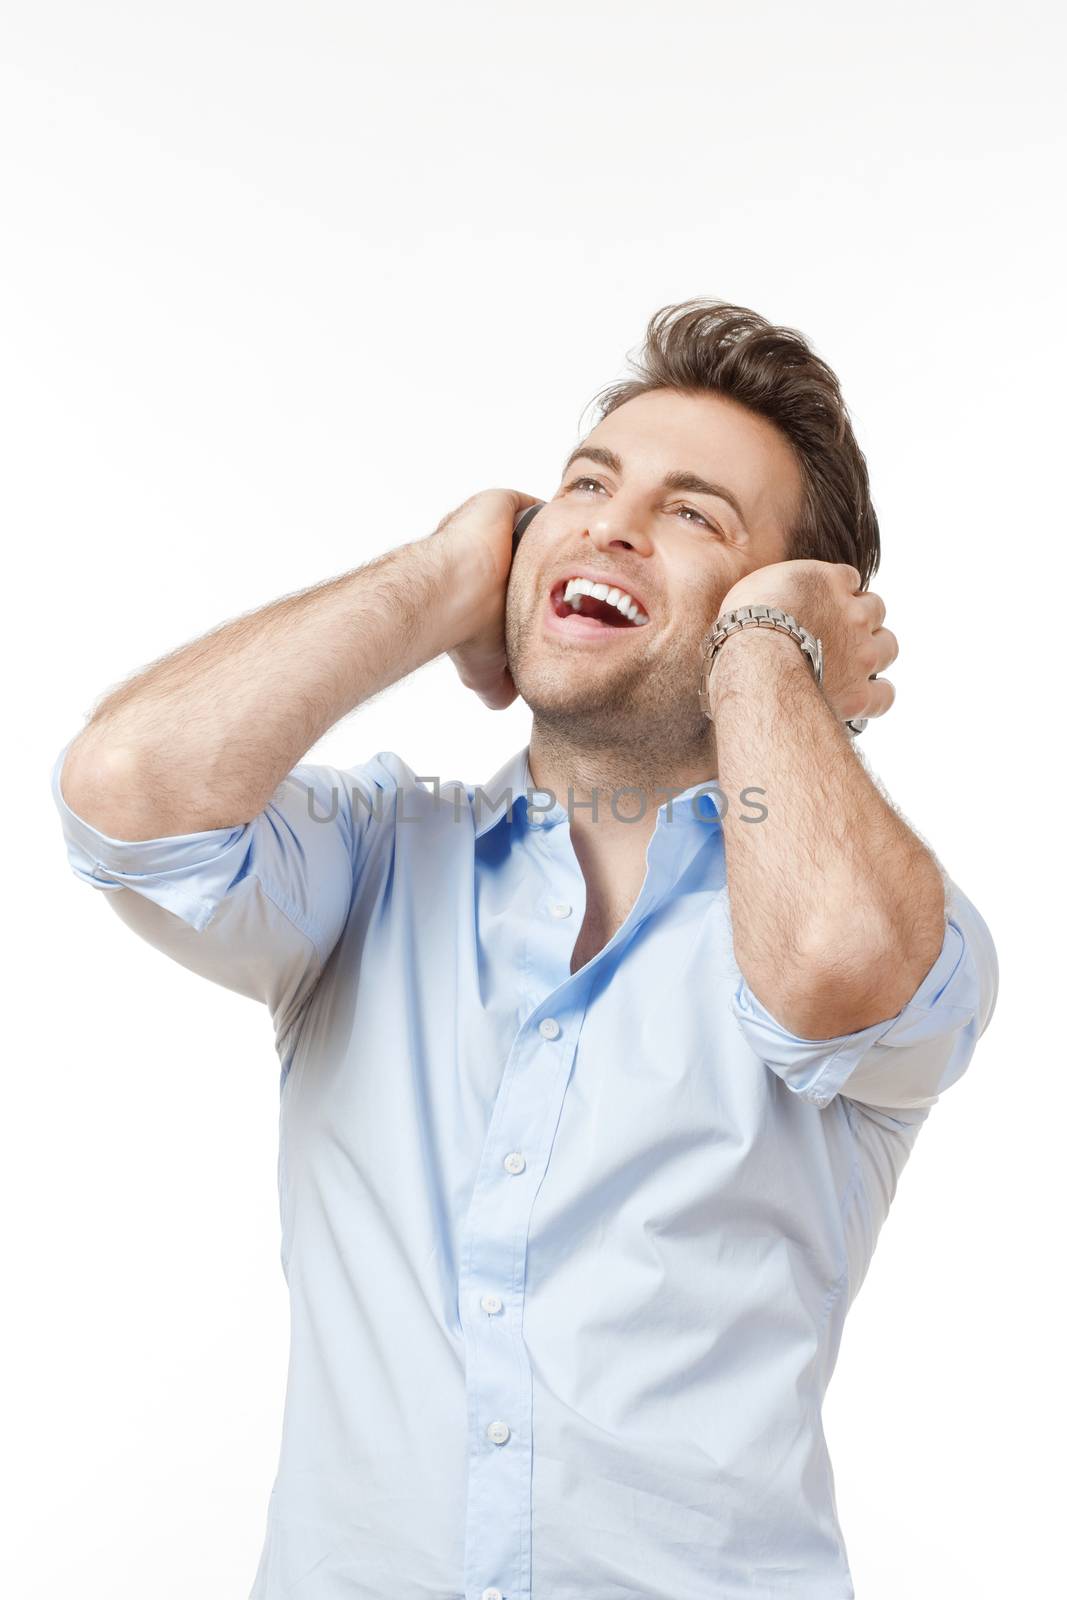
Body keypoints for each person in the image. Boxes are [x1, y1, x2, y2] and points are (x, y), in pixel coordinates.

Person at [50, 299, 998, 1600]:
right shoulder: (375, 861)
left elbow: (832, 970)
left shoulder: (886, 916)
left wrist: (771, 658)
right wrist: (443, 579)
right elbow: (125, 788)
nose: (610, 521)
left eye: (695, 515)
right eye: (586, 486)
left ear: (790, 612)